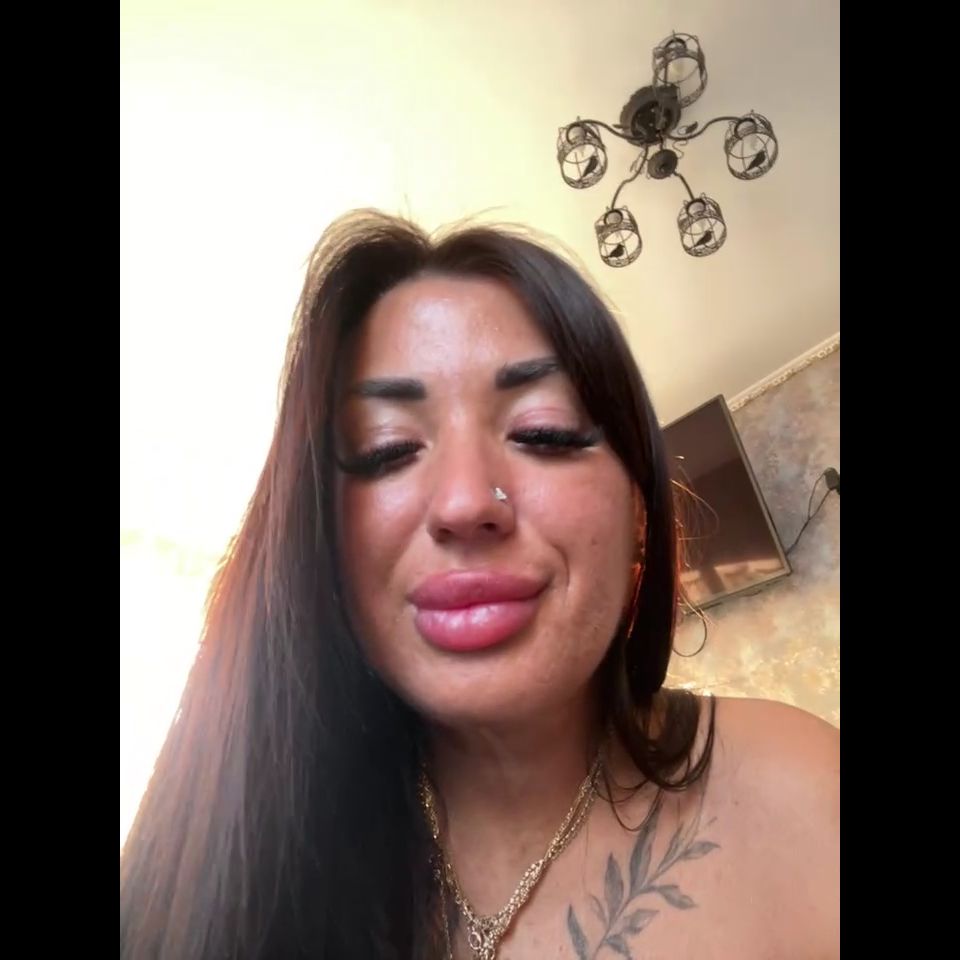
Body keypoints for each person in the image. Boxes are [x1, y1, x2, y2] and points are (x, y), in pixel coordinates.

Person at [119, 210, 839, 960]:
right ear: (319, 535)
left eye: (543, 432)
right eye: (387, 449)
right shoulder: (217, 859)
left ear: (638, 509)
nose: (465, 502)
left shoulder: (801, 794)